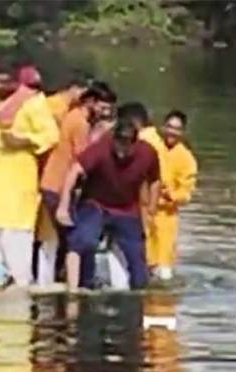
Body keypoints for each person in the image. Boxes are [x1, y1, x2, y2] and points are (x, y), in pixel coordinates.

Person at [0, 65, 59, 288]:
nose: (0, 86)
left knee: (15, 238)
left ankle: (18, 289)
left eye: (5, 81)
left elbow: (51, 135)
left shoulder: (34, 101)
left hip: (18, 179)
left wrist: (23, 141)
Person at [55, 117, 160, 292]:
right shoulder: (101, 149)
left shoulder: (148, 153)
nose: (121, 149)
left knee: (138, 263)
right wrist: (63, 205)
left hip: (127, 209)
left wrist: (152, 206)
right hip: (97, 204)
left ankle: (138, 294)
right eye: (119, 142)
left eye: (127, 144)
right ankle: (78, 286)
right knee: (84, 241)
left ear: (135, 143)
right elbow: (74, 171)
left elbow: (155, 180)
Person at [35, 81, 115, 285]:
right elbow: (84, 157)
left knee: (63, 236)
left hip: (56, 184)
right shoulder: (80, 123)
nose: (105, 112)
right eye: (102, 107)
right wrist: (99, 135)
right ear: (90, 102)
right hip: (57, 185)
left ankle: (60, 275)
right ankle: (71, 280)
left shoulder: (76, 117)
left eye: (108, 109)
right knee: (73, 236)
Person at [145, 110, 198, 281]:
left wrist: (172, 195)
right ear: (162, 127)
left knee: (163, 270)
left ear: (183, 133)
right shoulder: (151, 143)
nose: (172, 132)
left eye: (177, 129)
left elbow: (186, 192)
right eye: (169, 127)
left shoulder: (186, 159)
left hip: (166, 215)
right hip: (143, 211)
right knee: (141, 259)